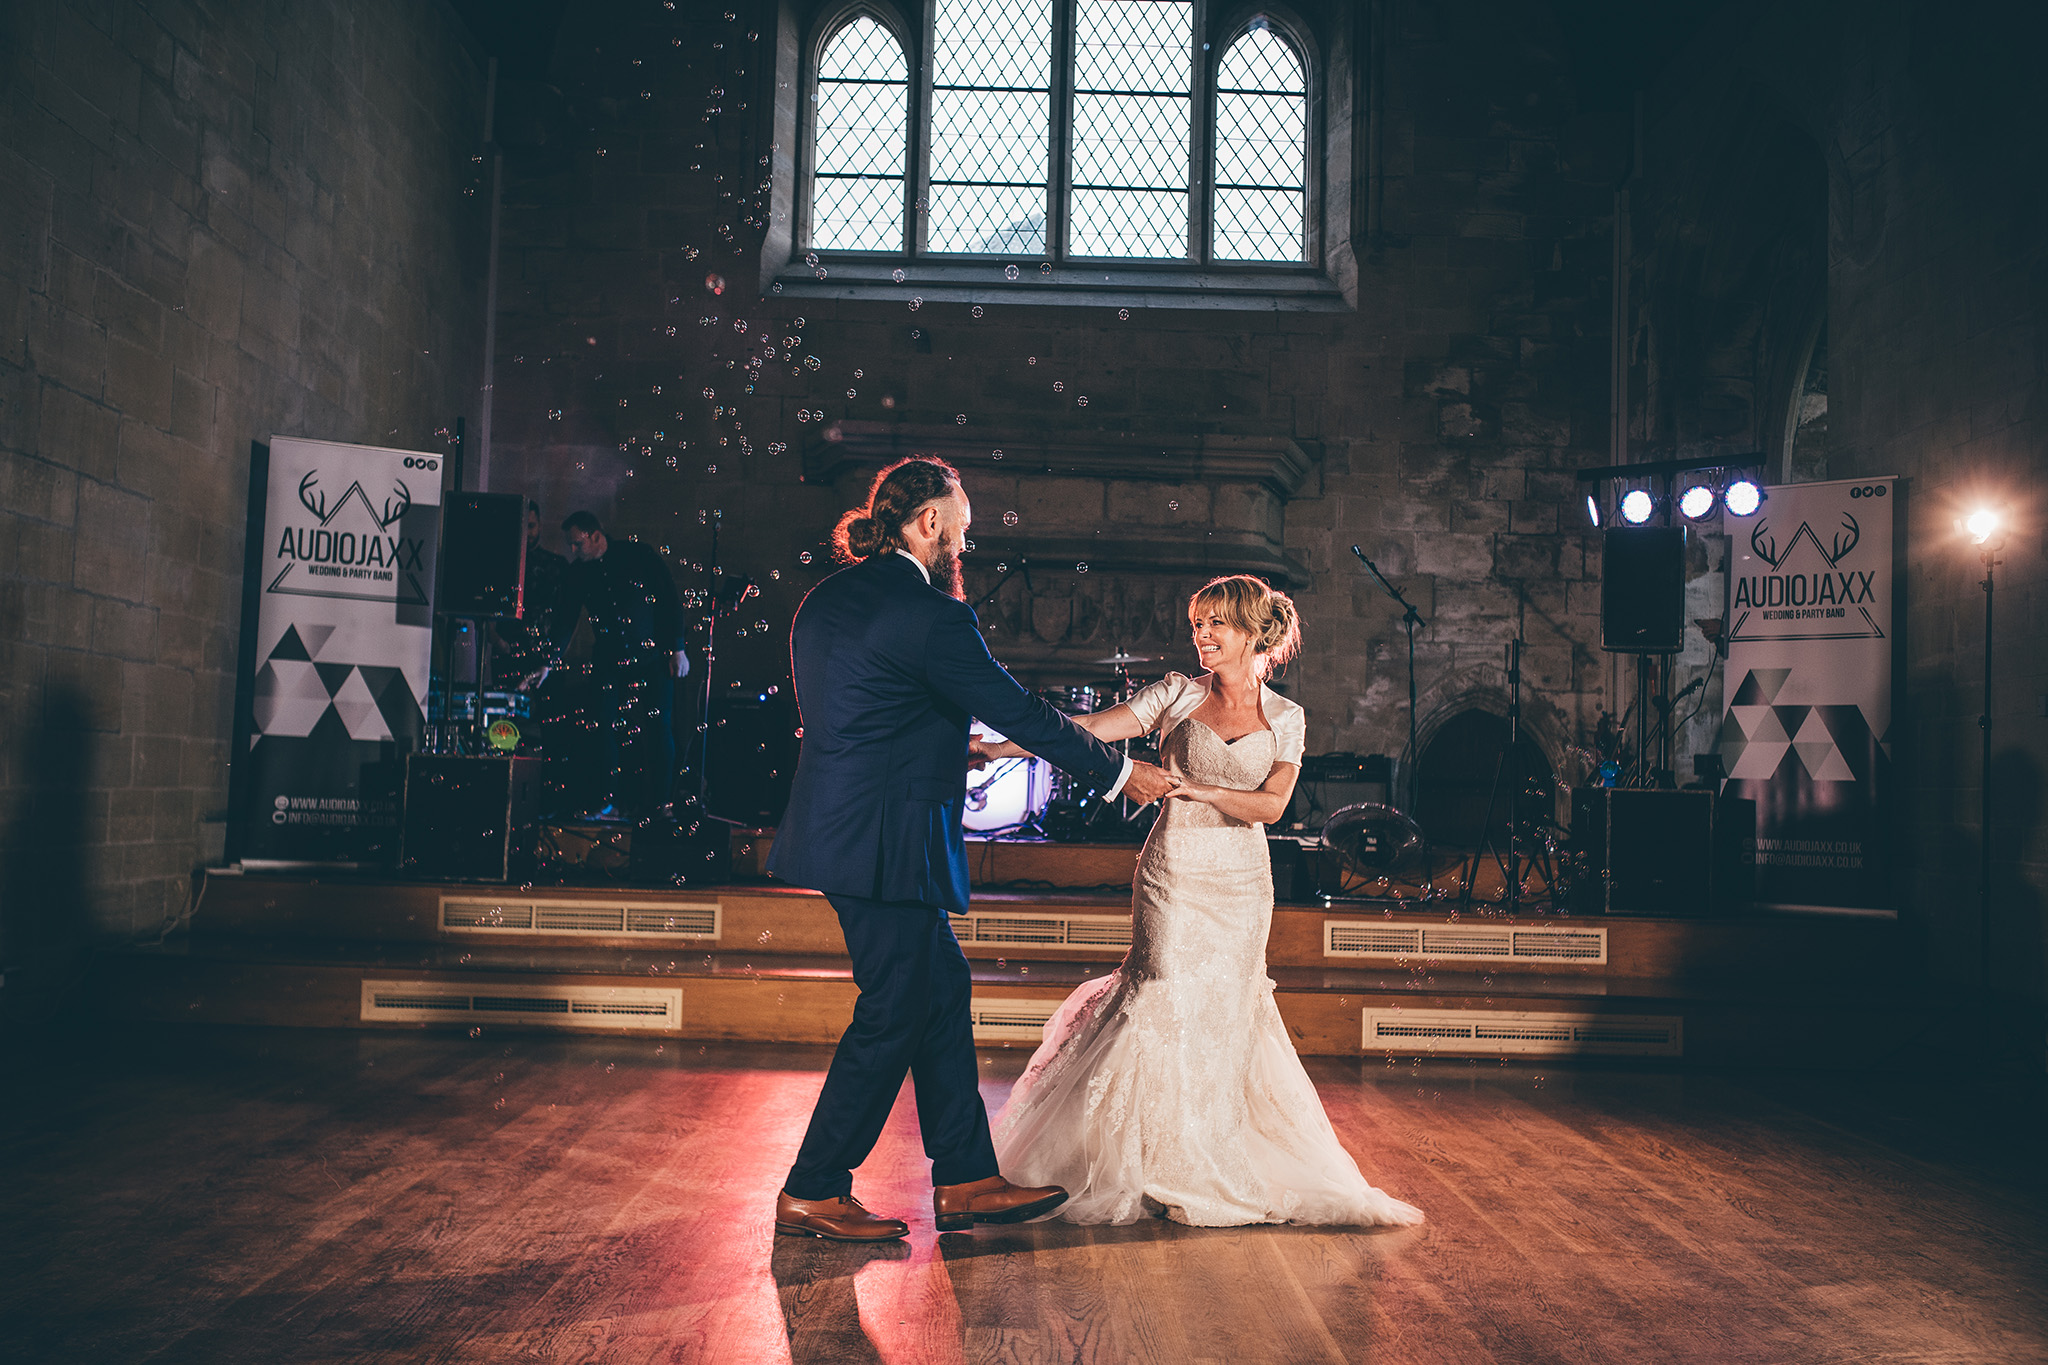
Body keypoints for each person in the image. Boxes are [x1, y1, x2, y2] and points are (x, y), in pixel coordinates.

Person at [766, 457, 1180, 1242]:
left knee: (940, 986)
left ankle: (964, 1177)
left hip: (836, 829)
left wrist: (940, 746)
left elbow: (861, 713)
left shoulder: (824, 601)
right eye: (961, 523)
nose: (969, 537)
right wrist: (1122, 770)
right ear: (928, 524)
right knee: (893, 1011)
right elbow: (1020, 710)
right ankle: (813, 1186)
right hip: (887, 845)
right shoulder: (934, 615)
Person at [981, 575, 1425, 1229]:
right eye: (1197, 623)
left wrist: (1189, 788)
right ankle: (1143, 1159)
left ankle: (1202, 1155)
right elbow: (1085, 731)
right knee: (1158, 992)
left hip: (1242, 883)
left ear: (1252, 633)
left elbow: (1272, 806)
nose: (1203, 635)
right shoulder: (1175, 694)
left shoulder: (1290, 718)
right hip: (1173, 872)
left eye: (1217, 622)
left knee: (1222, 1012)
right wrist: (997, 746)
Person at [552, 511, 689, 820]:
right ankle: (608, 801)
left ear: (595, 536)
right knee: (602, 725)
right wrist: (549, 662)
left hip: (653, 656)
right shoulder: (578, 574)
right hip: (609, 659)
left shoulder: (637, 555)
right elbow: (566, 620)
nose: (572, 551)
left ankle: (663, 802)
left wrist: (677, 647)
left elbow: (669, 599)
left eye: (576, 544)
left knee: (659, 727)